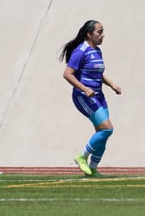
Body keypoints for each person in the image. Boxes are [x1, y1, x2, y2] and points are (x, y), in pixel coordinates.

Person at [58, 20, 122, 177]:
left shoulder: (98, 51)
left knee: (102, 134)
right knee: (107, 128)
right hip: (83, 97)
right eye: (99, 32)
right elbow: (67, 74)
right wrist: (84, 89)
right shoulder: (81, 51)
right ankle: (81, 157)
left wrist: (112, 85)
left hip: (99, 96)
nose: (102, 35)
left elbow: (98, 74)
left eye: (102, 32)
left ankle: (93, 169)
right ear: (89, 34)